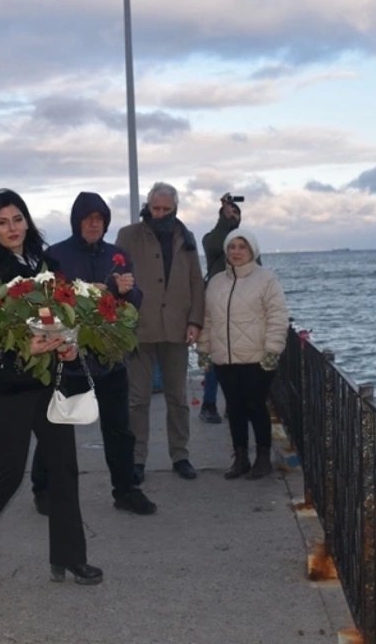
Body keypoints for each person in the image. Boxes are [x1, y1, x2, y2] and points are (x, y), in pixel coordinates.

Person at [0, 189, 101, 596]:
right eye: (2, 222)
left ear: (27, 221)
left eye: (17, 219)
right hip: (7, 387)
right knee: (7, 475)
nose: (12, 228)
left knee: (63, 468)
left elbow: (66, 312)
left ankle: (69, 556)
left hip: (50, 379)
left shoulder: (47, 264)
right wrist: (19, 347)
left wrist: (68, 341)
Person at [36, 192, 156, 515]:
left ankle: (126, 490)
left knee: (119, 430)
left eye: (99, 219)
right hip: (69, 358)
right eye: (88, 218)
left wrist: (130, 291)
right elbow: (43, 303)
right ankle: (43, 489)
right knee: (56, 427)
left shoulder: (117, 255)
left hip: (109, 360)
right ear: (77, 222)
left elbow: (134, 302)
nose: (94, 224)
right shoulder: (55, 256)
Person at [115, 182, 205, 482]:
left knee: (178, 398)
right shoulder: (128, 236)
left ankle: (180, 455)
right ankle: (137, 459)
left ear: (175, 208)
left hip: (177, 329)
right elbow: (115, 277)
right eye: (156, 208)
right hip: (138, 329)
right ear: (148, 206)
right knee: (137, 399)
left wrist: (195, 321)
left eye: (167, 209)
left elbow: (196, 283)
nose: (161, 213)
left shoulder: (186, 238)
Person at [198, 229, 289, 480]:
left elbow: (277, 317)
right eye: (232, 247)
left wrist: (272, 350)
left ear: (252, 251)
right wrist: (204, 349)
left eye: (242, 247)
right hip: (225, 358)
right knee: (234, 408)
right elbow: (207, 319)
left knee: (255, 406)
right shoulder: (216, 282)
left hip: (256, 357)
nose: (236, 252)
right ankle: (240, 458)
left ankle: (263, 457)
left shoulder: (266, 279)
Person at [197, 193, 245, 424]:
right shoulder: (211, 239)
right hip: (216, 307)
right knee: (215, 359)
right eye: (230, 214)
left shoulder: (246, 244)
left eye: (236, 214)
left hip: (240, 309)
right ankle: (208, 404)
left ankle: (234, 405)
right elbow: (217, 244)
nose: (233, 217)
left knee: (238, 361)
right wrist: (224, 220)